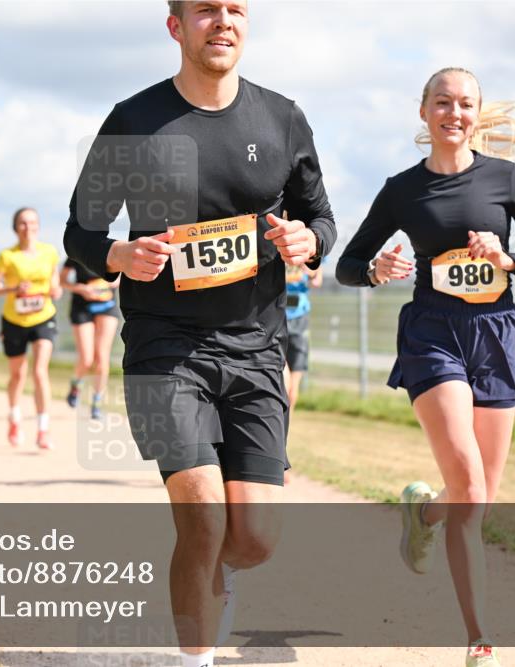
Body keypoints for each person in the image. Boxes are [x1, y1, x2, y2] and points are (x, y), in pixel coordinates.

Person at [64, 3, 336, 663]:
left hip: (255, 349)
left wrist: (309, 240)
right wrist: (119, 257)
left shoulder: (283, 118)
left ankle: (215, 575)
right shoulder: (133, 120)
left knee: (255, 538)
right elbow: (81, 233)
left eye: (235, 9)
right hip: (164, 350)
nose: (222, 20)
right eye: (206, 9)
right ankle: (196, 657)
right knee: (203, 517)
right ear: (176, 27)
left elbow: (321, 219)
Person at [336, 67, 515, 667]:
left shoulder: (505, 178)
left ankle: (424, 510)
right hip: (432, 335)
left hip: (496, 337)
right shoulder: (401, 189)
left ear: (476, 113)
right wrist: (374, 271)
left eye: (465, 104)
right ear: (424, 112)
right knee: (468, 483)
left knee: (476, 499)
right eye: (443, 102)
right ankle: (479, 639)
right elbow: (348, 263)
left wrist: (508, 259)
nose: (454, 113)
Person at [0, 207, 62, 449]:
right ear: (15, 227)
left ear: (38, 226)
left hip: (43, 316)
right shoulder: (7, 256)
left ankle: (43, 429)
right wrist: (12, 289)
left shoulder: (49, 252)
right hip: (14, 319)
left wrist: (56, 290)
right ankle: (15, 417)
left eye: (31, 223)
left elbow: (55, 283)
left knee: (40, 371)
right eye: (22, 223)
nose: (27, 227)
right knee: (18, 374)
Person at [61, 257, 120, 420]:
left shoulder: (113, 248)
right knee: (86, 359)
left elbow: (124, 273)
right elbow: (62, 281)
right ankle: (76, 385)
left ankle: (97, 403)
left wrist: (109, 283)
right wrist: (80, 288)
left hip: (107, 306)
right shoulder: (75, 253)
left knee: (101, 357)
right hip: (82, 307)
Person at [282, 263, 322, 408]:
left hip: (299, 317)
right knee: (281, 374)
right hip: (277, 316)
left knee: (294, 382)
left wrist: (312, 273)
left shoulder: (310, 251)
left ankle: (288, 424)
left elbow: (317, 281)